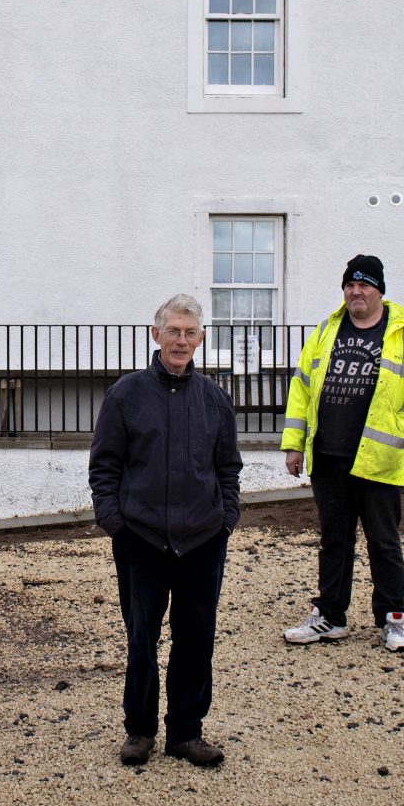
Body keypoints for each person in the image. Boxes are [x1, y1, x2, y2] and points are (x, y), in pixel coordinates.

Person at [88, 294, 243, 767]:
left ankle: (185, 732)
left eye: (189, 332)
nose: (181, 340)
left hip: (203, 540)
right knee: (142, 638)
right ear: (156, 335)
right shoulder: (126, 395)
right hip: (141, 540)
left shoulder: (215, 400)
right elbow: (105, 466)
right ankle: (140, 730)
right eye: (173, 331)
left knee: (196, 638)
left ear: (201, 339)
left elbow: (228, 468)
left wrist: (226, 519)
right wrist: (116, 523)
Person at [280, 254, 404, 653]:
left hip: (377, 459)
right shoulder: (327, 329)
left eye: (364, 285)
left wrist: (398, 425)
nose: (356, 292)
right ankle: (330, 617)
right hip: (328, 456)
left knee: (383, 543)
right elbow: (302, 387)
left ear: (379, 291)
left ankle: (392, 619)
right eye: (350, 285)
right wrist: (294, 443)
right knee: (334, 541)